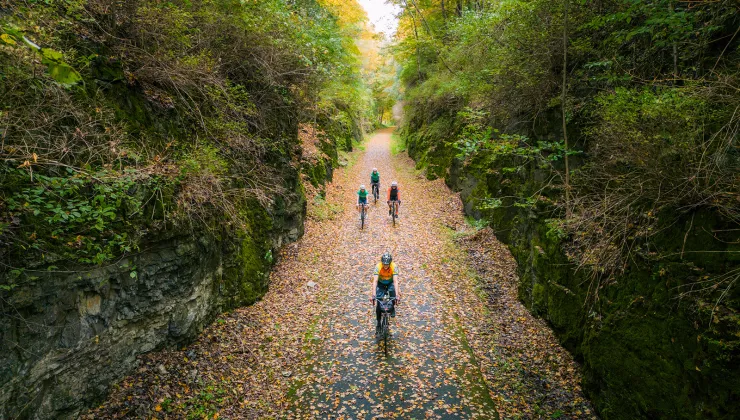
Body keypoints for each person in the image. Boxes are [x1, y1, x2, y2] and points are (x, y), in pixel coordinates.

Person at [370, 252, 401, 331]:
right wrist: (373, 295)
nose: (385, 266)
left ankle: (392, 307)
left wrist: (397, 295)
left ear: (390, 263)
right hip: (380, 283)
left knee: (392, 293)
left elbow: (395, 281)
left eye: (387, 264)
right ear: (382, 262)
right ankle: (378, 322)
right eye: (384, 264)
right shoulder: (378, 267)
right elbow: (375, 281)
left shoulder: (394, 266)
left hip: (390, 283)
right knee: (379, 302)